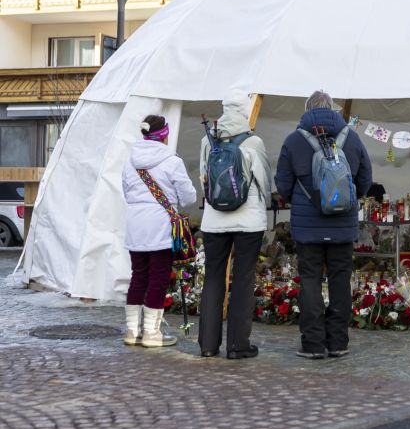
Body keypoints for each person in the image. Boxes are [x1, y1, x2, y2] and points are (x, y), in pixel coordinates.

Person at [276, 90, 372, 359]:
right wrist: (348, 200)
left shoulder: (294, 141)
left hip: (308, 228)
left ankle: (313, 343)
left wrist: (301, 198)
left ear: (306, 109)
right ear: (334, 109)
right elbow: (365, 180)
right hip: (343, 224)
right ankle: (338, 342)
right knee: (341, 281)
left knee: (310, 281)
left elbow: (283, 184)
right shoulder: (351, 138)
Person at [198, 90, 271, 359]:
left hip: (214, 220)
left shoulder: (209, 140)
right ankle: (238, 345)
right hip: (249, 220)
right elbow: (263, 181)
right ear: (245, 110)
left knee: (214, 278)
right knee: (243, 278)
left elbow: (204, 178)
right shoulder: (253, 142)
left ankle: (207, 344)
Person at [122, 115, 197, 348]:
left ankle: (132, 331)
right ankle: (151, 334)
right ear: (164, 135)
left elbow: (126, 192)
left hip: (135, 226)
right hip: (161, 227)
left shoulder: (130, 161)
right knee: (158, 279)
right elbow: (188, 198)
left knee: (138, 277)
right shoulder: (172, 161)